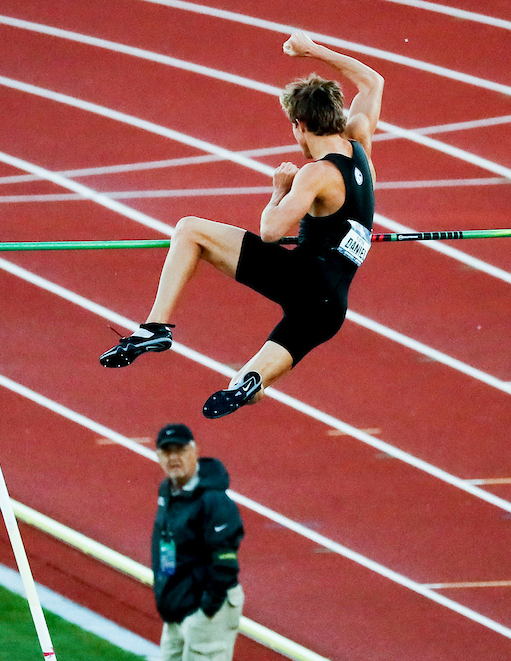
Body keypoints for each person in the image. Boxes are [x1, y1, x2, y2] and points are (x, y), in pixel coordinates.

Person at [100, 32, 384, 419]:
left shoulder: (315, 175)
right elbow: (373, 81)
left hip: (303, 280)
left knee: (189, 230)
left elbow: (269, 231)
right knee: (246, 387)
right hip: (330, 308)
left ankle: (156, 327)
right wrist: (314, 51)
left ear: (300, 125)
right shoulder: (360, 141)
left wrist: (278, 191)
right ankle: (249, 383)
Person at [151, 423, 246, 661]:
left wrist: (205, 607)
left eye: (179, 450)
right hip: (178, 604)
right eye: (166, 451)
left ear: (194, 451)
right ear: (159, 456)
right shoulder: (169, 491)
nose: (173, 458)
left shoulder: (213, 500)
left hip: (206, 607)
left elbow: (225, 563)